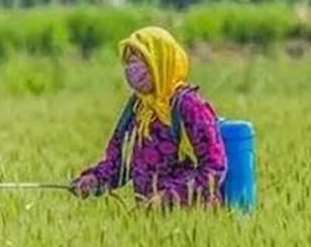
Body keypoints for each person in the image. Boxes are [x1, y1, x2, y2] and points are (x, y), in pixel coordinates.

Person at [72, 27, 227, 209]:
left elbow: (213, 167)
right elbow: (120, 163)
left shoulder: (188, 105)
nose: (133, 69)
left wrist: (170, 197)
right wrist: (94, 179)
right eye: (129, 62)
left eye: (141, 61)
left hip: (192, 216)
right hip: (149, 217)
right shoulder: (137, 108)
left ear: (160, 62)